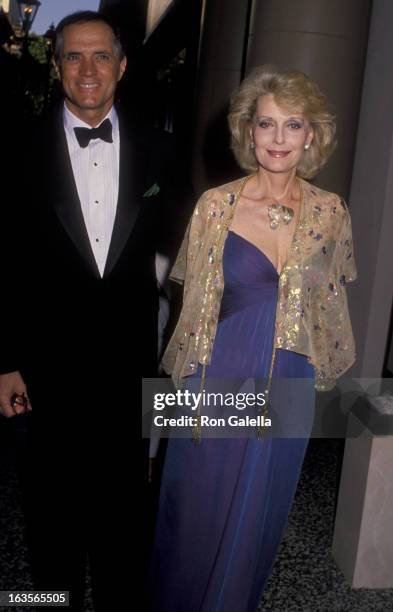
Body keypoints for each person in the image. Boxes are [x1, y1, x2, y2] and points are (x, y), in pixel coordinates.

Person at [147, 65, 356, 611]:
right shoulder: (217, 206)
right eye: (267, 124)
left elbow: (330, 303)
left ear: (311, 134)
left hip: (289, 375)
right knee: (197, 508)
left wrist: (325, 378)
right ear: (249, 131)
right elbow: (191, 312)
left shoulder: (331, 212)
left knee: (259, 515)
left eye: (293, 125)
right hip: (221, 371)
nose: (279, 139)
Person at [0, 10, 173, 610]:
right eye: (74, 56)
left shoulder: (159, 150)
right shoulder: (15, 147)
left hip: (129, 367)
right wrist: (5, 364)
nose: (89, 69)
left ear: (122, 66)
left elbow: (181, 253)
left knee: (124, 514)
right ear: (57, 67)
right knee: (50, 517)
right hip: (44, 370)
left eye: (102, 55)